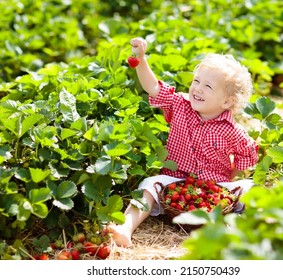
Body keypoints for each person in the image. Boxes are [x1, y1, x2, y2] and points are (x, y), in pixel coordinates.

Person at [108, 37, 258, 247]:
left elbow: (247, 156)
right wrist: (141, 59)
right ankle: (126, 228)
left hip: (214, 188)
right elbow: (153, 88)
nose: (197, 88)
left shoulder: (233, 131)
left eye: (208, 86)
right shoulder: (180, 104)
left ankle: (258, 227)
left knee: (250, 187)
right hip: (175, 183)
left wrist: (229, 180)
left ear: (227, 101)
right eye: (196, 81)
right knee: (149, 184)